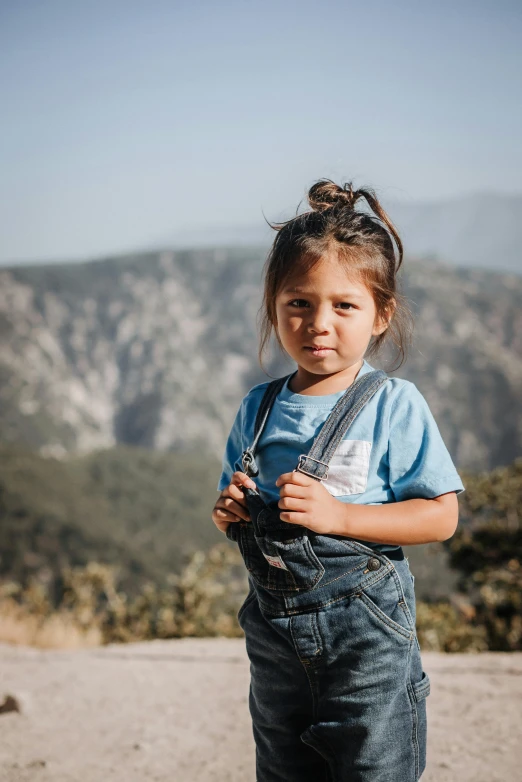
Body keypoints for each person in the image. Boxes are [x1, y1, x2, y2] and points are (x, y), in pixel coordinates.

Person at [211, 179, 465, 782]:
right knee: (284, 766)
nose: (318, 324)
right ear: (274, 306)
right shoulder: (259, 407)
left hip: (367, 643)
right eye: (298, 303)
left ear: (381, 315)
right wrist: (230, 511)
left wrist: (341, 518)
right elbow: (231, 507)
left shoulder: (392, 404)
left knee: (373, 768)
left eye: (344, 306)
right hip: (274, 642)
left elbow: (441, 515)